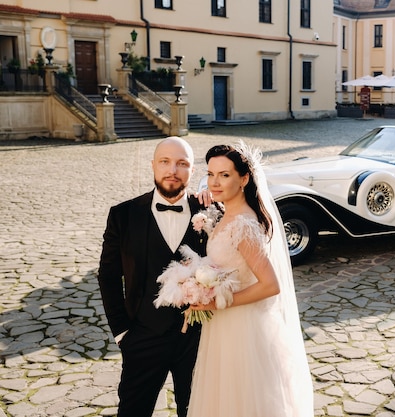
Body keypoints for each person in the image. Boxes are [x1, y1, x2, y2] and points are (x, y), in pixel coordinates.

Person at [187, 143, 313, 417]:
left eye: (224, 175)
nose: (215, 182)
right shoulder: (227, 215)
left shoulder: (243, 224)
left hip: (244, 327)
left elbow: (271, 285)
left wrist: (217, 303)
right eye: (210, 174)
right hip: (226, 324)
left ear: (244, 179)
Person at [98, 136, 208, 417]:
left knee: (198, 411)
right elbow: (108, 277)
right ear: (153, 166)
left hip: (200, 339)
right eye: (165, 161)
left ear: (192, 171)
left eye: (182, 163)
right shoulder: (122, 215)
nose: (173, 170)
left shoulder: (210, 213)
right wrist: (122, 332)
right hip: (142, 336)